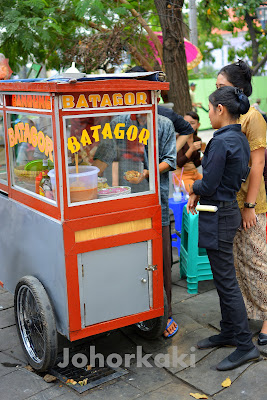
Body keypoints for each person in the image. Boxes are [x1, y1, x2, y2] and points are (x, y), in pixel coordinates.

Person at [187, 86, 261, 371]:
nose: (208, 113)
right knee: (223, 279)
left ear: (220, 109)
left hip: (219, 214)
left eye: (209, 108)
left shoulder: (220, 141)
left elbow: (208, 184)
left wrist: (194, 187)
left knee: (227, 283)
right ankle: (229, 332)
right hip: (226, 210)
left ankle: (245, 345)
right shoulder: (239, 138)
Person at [93, 112, 179, 338]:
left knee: (160, 260)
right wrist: (88, 176)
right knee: (128, 257)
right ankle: (130, 311)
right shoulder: (118, 123)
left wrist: (147, 174)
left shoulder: (163, 124)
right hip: (125, 199)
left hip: (154, 200)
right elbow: (105, 155)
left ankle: (166, 313)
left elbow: (170, 160)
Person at [216, 60, 267, 346]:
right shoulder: (232, 118)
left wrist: (249, 206)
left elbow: (257, 164)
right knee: (238, 266)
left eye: (221, 88)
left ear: (237, 90)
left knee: (258, 263)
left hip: (251, 204)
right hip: (231, 202)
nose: (216, 95)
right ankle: (243, 318)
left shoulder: (253, 118)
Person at [174, 111, 203, 193]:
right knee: (194, 191)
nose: (188, 125)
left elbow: (196, 163)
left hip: (194, 173)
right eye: (185, 122)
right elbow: (179, 163)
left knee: (209, 185)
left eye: (192, 123)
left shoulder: (197, 139)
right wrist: (191, 149)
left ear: (198, 125)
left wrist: (205, 156)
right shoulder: (178, 139)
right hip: (181, 174)